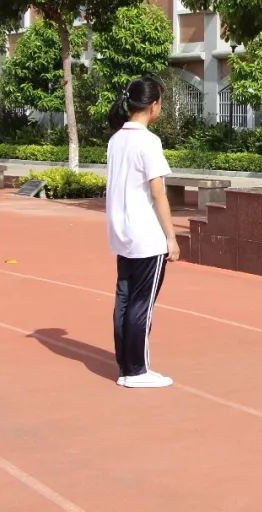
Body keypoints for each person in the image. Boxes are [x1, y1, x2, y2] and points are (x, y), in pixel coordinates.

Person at [106, 78, 177, 389]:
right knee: (141, 304)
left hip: (121, 233)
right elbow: (158, 193)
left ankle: (126, 364)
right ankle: (137, 370)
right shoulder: (148, 141)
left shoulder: (116, 139)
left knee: (124, 299)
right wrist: (171, 237)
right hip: (146, 235)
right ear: (153, 106)